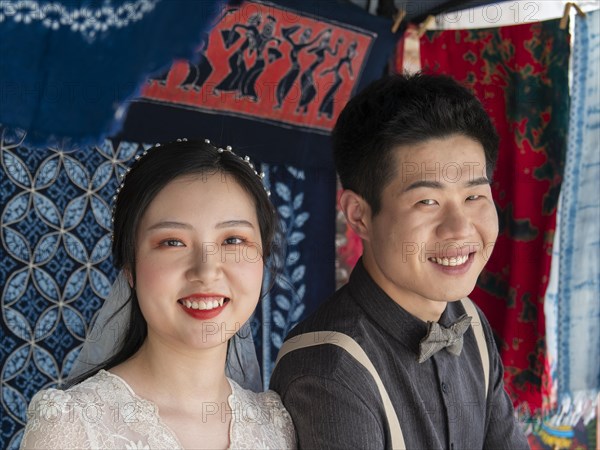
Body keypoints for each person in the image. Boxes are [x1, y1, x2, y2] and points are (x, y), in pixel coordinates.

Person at [270, 73, 530, 449]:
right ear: (359, 215)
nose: (459, 229)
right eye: (427, 201)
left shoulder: (469, 321)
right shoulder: (329, 369)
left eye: (475, 197)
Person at [21, 140, 296, 449]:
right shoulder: (72, 426)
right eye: (172, 242)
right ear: (129, 267)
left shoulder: (277, 426)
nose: (206, 272)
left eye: (233, 239)